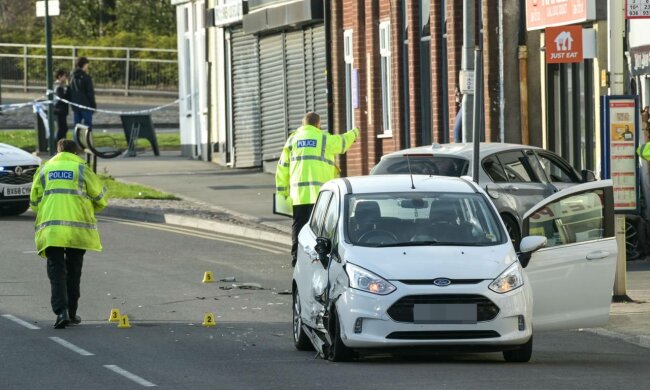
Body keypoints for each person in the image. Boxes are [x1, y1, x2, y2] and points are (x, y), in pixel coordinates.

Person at [30, 139, 107, 329]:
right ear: (76, 153)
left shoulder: (44, 169)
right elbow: (101, 198)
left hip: (52, 230)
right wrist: (87, 208)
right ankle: (72, 313)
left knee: (56, 271)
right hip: (77, 230)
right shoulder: (81, 169)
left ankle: (61, 311)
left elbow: (34, 201)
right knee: (74, 270)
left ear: (58, 151)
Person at [275, 112, 360, 266]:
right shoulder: (323, 138)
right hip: (321, 195)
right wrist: (355, 132)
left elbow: (282, 168)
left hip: (299, 195)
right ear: (317, 124)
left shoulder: (292, 140)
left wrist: (282, 194)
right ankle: (320, 259)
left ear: (303, 124)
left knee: (299, 227)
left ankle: (297, 259)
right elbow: (342, 143)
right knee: (322, 228)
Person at [68, 57, 96, 129]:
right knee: (87, 126)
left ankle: (76, 140)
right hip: (85, 104)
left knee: (77, 126)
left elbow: (70, 90)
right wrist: (93, 105)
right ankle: (87, 140)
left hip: (75, 104)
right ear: (84, 65)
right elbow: (90, 93)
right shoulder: (86, 77)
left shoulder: (72, 76)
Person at [53, 69, 70, 141]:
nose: (66, 78)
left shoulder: (59, 86)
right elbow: (62, 98)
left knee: (64, 128)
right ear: (60, 76)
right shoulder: (58, 87)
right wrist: (68, 88)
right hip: (59, 110)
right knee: (61, 129)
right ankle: (57, 144)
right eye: (64, 76)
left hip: (61, 110)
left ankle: (63, 144)